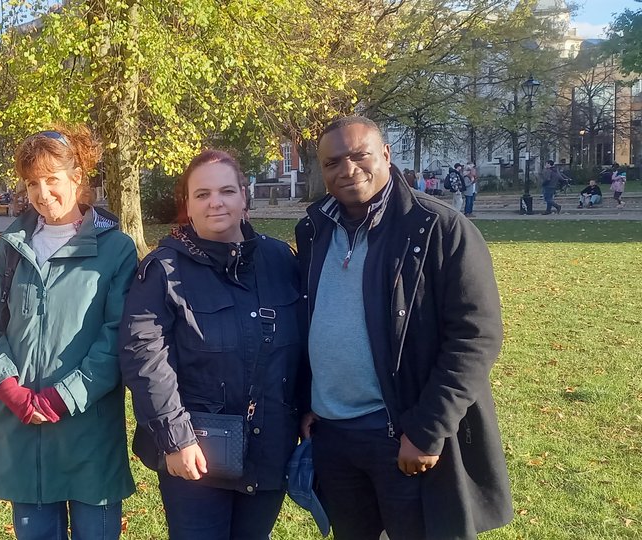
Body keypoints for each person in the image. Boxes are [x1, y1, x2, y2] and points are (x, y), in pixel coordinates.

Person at [296, 116, 511, 540]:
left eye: (359, 155)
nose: (347, 170)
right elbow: (308, 321)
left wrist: (427, 430)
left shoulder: (439, 228)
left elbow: (475, 336)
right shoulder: (313, 229)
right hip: (333, 436)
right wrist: (308, 400)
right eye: (333, 162)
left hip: (402, 434)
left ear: (386, 155)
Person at [119, 149, 304, 540]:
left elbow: (300, 348)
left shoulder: (280, 260)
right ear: (187, 204)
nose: (215, 202)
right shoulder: (162, 270)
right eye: (202, 194)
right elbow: (146, 361)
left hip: (270, 446)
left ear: (243, 196)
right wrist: (176, 439)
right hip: (196, 452)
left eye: (226, 191)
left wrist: (307, 411)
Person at [0, 125, 136, 540]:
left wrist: (63, 397)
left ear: (77, 177)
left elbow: (116, 337)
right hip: (24, 432)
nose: (43, 193)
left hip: (88, 432)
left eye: (52, 179)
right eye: (33, 183)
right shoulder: (12, 245)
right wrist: (10, 390)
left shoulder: (116, 249)